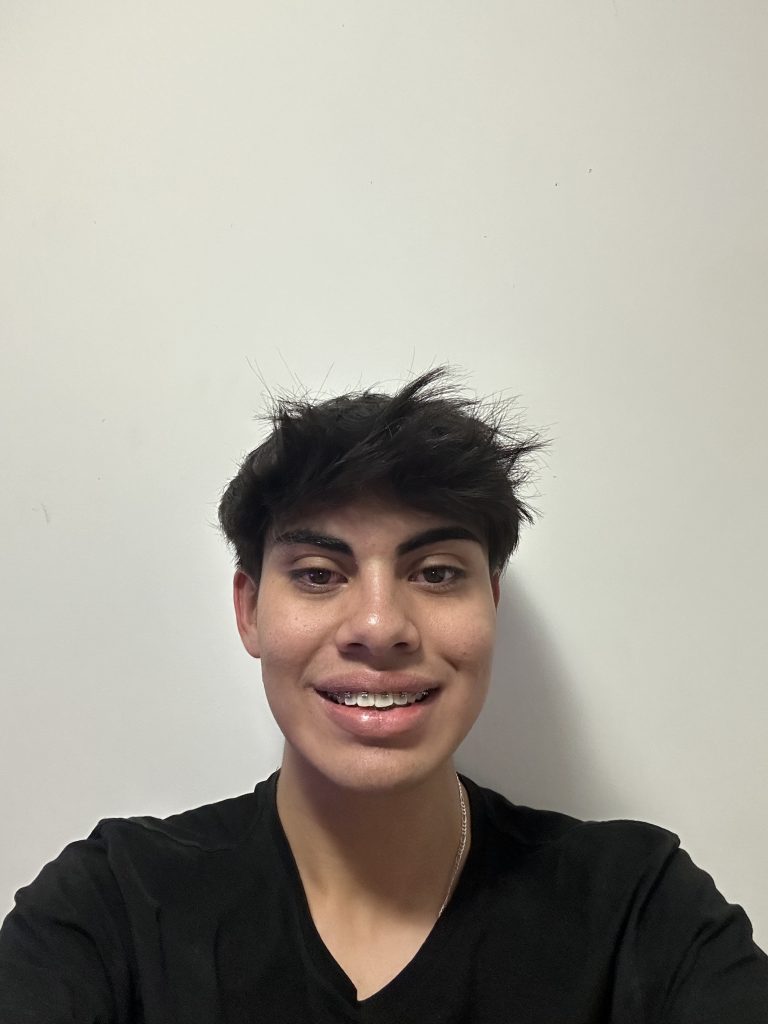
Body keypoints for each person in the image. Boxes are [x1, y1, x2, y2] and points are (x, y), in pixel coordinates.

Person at [1, 368, 767, 1022]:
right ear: (250, 609)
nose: (379, 626)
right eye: (317, 574)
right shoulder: (115, 909)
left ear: (491, 603)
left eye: (436, 573)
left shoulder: (637, 910)